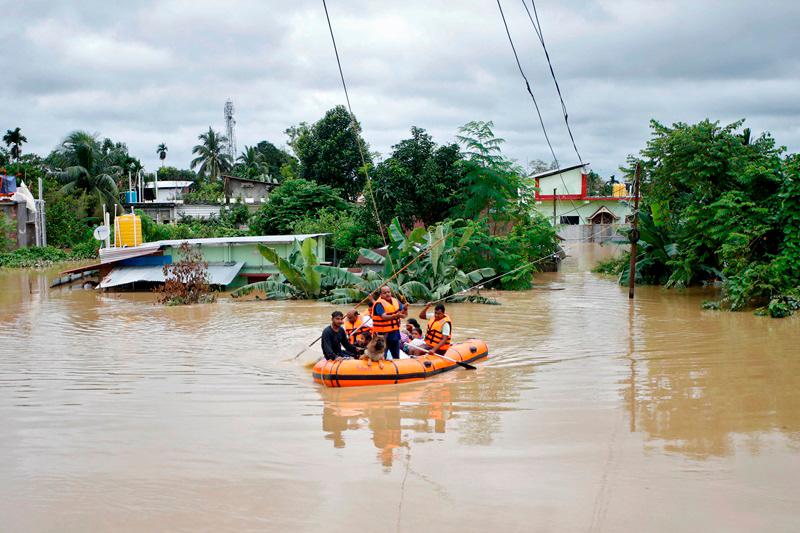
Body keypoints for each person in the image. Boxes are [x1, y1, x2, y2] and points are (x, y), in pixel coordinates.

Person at [370, 285, 405, 360]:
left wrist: (405, 309)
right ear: (381, 295)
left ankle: (397, 366)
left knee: (396, 354)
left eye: (388, 292)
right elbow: (384, 317)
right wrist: (396, 316)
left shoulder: (395, 301)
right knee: (382, 354)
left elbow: (404, 314)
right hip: (382, 334)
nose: (387, 294)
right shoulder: (379, 304)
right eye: (384, 293)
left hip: (395, 332)